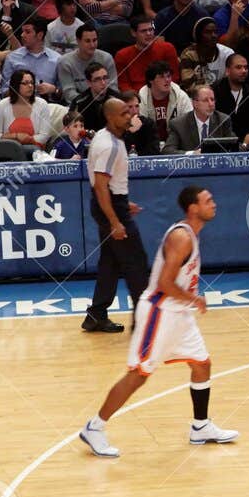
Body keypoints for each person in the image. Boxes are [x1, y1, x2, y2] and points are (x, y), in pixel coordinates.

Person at [78, 186, 237, 457]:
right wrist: (193, 299)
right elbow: (164, 284)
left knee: (202, 364)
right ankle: (95, 427)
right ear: (193, 208)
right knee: (139, 374)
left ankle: (200, 426)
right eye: (208, 201)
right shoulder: (181, 237)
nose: (214, 204)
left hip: (179, 314)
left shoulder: (192, 234)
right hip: (160, 312)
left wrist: (188, 302)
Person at [80, 99, 148, 333]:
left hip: (112, 203)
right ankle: (144, 320)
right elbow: (100, 186)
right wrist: (115, 220)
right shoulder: (109, 145)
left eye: (129, 112)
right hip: (110, 208)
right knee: (136, 263)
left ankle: (96, 315)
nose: (129, 116)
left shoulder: (107, 137)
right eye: (123, 113)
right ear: (111, 118)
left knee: (110, 263)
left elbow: (106, 185)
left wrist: (122, 201)